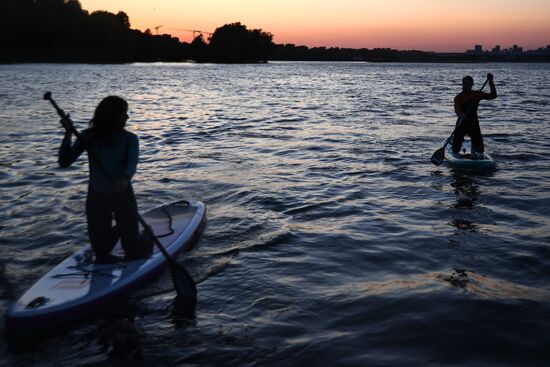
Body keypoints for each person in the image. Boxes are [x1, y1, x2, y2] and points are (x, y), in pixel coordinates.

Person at [58, 96, 152, 263]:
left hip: (122, 193)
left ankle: (143, 235)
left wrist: (124, 179)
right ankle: (125, 228)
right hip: (96, 194)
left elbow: (131, 164)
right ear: (112, 115)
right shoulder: (88, 136)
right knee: (101, 251)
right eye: (124, 113)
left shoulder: (130, 139)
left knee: (132, 251)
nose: (127, 117)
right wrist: (68, 133)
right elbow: (64, 162)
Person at [452, 73, 497, 159]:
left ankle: (475, 150)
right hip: (462, 123)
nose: (465, 85)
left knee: (480, 150)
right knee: (456, 149)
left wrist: (491, 82)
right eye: (464, 83)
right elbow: (457, 109)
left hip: (473, 123)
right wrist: (461, 115)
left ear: (472, 85)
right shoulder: (458, 97)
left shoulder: (477, 94)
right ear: (462, 84)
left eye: (468, 83)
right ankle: (454, 143)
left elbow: (493, 95)